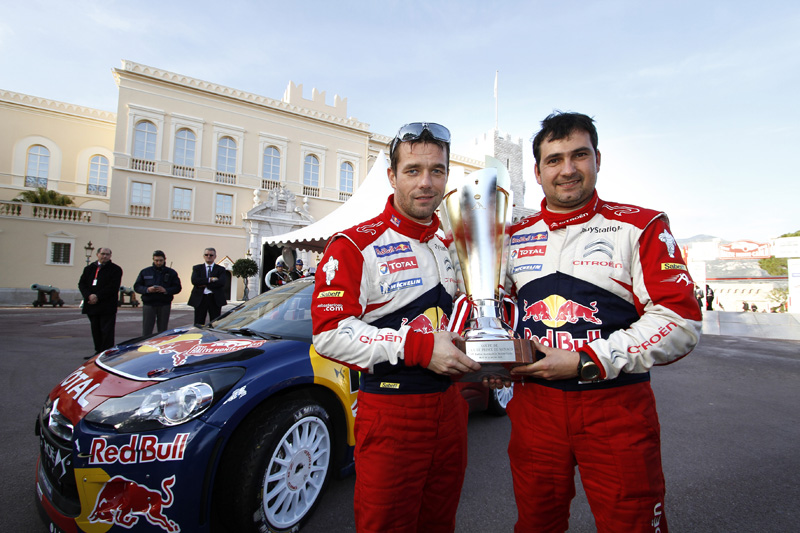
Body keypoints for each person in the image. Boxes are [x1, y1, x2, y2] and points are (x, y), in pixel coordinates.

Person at [504, 112, 702, 532]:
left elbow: (680, 320)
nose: (568, 169)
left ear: (598, 159)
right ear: (537, 172)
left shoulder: (640, 226)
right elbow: (496, 310)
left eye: (579, 155)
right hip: (535, 406)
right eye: (554, 160)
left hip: (615, 404)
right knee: (536, 524)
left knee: (631, 524)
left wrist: (587, 360)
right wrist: (492, 359)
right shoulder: (511, 237)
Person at [311, 122, 479, 533]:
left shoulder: (453, 245)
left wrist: (487, 357)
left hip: (452, 407)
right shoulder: (353, 245)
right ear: (392, 175)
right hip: (392, 410)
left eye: (437, 171)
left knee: (439, 523)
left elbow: (464, 316)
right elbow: (329, 333)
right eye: (413, 170)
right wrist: (418, 348)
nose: (426, 183)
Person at [78, 247, 123, 355]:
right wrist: (89, 296)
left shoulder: (115, 269)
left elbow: (113, 286)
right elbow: (82, 284)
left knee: (107, 331)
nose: (104, 256)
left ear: (110, 256)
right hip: (92, 305)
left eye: (107, 254)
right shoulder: (89, 269)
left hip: (106, 305)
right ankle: (98, 352)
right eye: (102, 254)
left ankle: (106, 353)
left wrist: (97, 296)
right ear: (97, 254)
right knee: (95, 330)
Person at [133, 250, 182, 336]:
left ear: (165, 259)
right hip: (149, 303)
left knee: (163, 330)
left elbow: (177, 287)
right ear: (153, 259)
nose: (158, 263)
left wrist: (165, 290)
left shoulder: (171, 272)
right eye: (156, 260)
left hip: (164, 303)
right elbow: (137, 286)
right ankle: (146, 343)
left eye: (161, 260)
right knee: (147, 330)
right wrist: (147, 289)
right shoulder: (145, 272)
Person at [188, 248, 227, 325]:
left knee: (215, 323)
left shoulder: (221, 269)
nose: (208, 256)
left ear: (215, 256)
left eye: (211, 255)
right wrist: (210, 280)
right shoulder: (197, 268)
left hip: (214, 299)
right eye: (206, 255)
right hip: (200, 298)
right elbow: (194, 281)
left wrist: (203, 283)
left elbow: (221, 282)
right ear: (204, 256)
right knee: (199, 323)